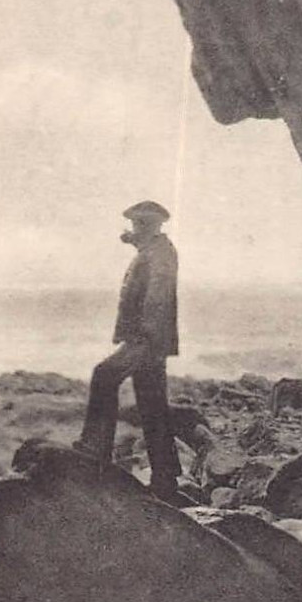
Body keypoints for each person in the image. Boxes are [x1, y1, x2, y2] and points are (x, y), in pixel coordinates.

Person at [76, 200, 182, 500]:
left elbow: (158, 296)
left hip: (146, 339)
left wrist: (144, 336)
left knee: (104, 375)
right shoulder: (153, 252)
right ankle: (166, 477)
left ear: (149, 227)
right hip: (148, 339)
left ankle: (95, 453)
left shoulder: (160, 253)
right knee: (152, 404)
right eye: (135, 224)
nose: (133, 230)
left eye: (139, 225)